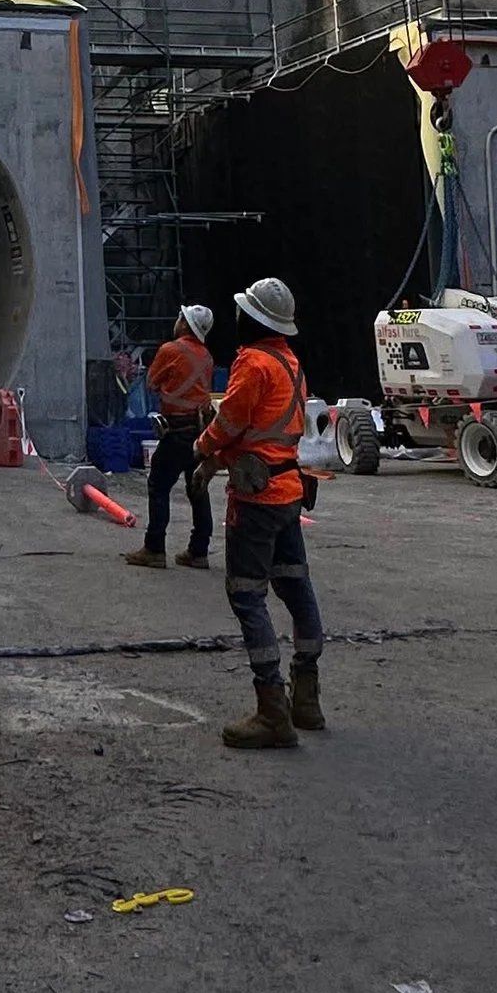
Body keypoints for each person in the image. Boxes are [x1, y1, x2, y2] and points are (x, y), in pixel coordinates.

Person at [195, 276, 325, 749]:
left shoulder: (252, 363)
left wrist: (202, 447)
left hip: (257, 499)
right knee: (295, 586)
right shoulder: (290, 363)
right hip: (288, 490)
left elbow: (231, 421)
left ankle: (272, 711)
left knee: (247, 594)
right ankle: (306, 699)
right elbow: (266, 430)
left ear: (252, 319)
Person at [127, 302, 216, 568]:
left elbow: (152, 383)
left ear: (185, 324)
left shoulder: (170, 350)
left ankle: (154, 548)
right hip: (200, 431)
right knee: (197, 488)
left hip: (176, 430)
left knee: (158, 485)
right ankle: (199, 551)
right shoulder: (207, 357)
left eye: (180, 318)